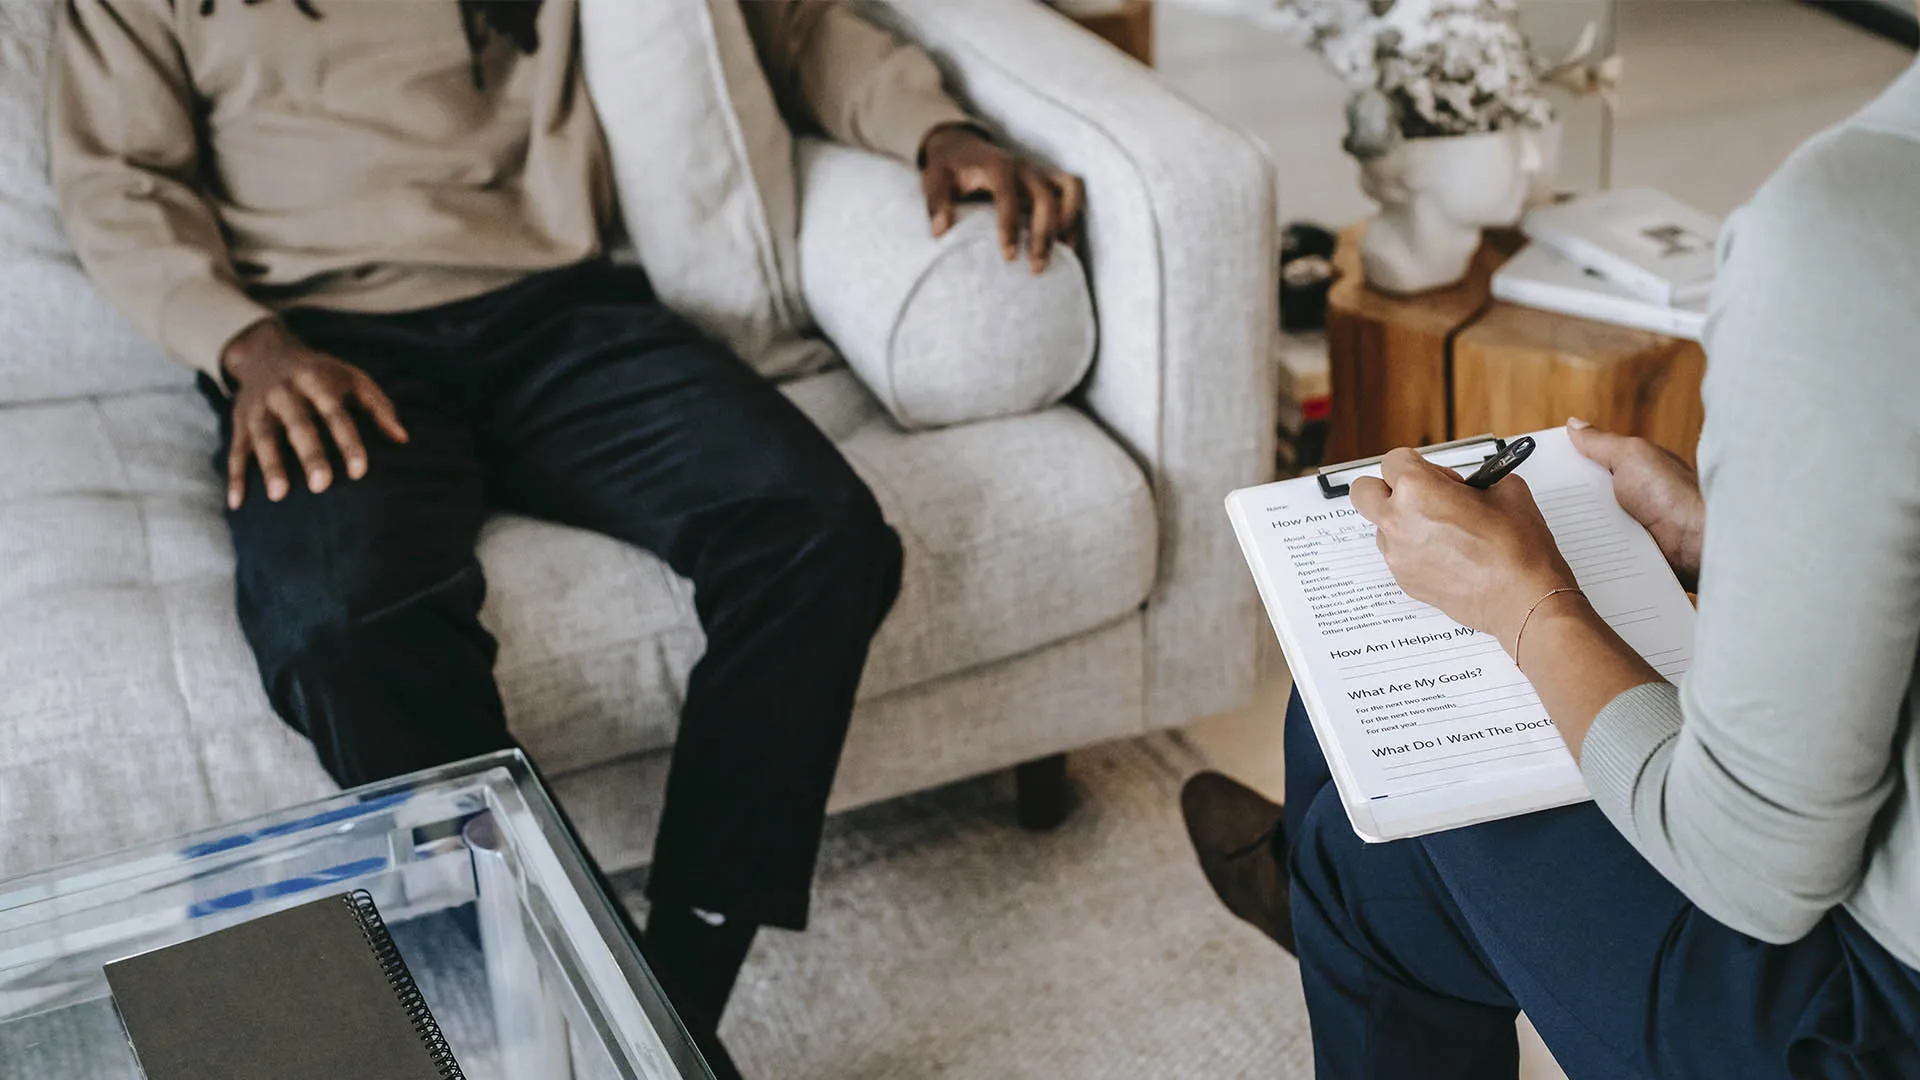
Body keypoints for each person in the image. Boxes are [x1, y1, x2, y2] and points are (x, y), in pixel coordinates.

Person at [50, 2, 1082, 1074]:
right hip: (315, 342)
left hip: (562, 311)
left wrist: (933, 128)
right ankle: (588, 1002)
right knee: (342, 634)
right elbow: (117, 180)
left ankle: (658, 1010)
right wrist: (244, 346)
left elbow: (792, 26)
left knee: (816, 537)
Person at [1183, 55, 1920, 1080]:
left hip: (1867, 1017)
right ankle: (1332, 891)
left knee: (1380, 753)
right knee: (1360, 773)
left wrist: (1521, 601)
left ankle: (1325, 894)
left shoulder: (1857, 226)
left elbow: (1752, 867)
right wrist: (1743, 541)